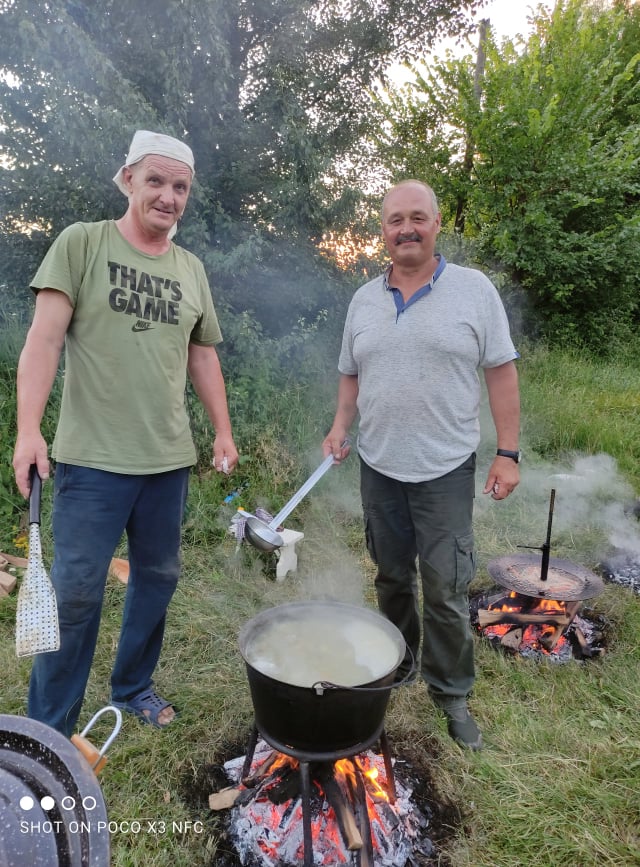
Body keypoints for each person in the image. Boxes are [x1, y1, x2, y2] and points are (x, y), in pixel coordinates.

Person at [12, 130, 238, 736]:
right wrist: (28, 430)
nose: (168, 196)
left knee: (157, 579)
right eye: (156, 181)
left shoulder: (190, 269)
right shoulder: (83, 243)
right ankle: (51, 725)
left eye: (180, 186)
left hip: (167, 462)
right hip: (91, 461)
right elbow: (44, 341)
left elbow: (202, 356)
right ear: (130, 179)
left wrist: (222, 430)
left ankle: (133, 685)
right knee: (75, 594)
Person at [323, 179, 520, 750]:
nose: (406, 229)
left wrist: (507, 453)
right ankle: (399, 661)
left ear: (436, 224)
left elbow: (501, 372)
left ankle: (451, 690)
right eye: (395, 220)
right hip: (379, 465)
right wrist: (339, 427)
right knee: (390, 576)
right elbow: (350, 374)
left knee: (446, 585)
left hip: (444, 469)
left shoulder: (474, 290)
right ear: (383, 230)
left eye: (417, 218)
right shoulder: (363, 299)